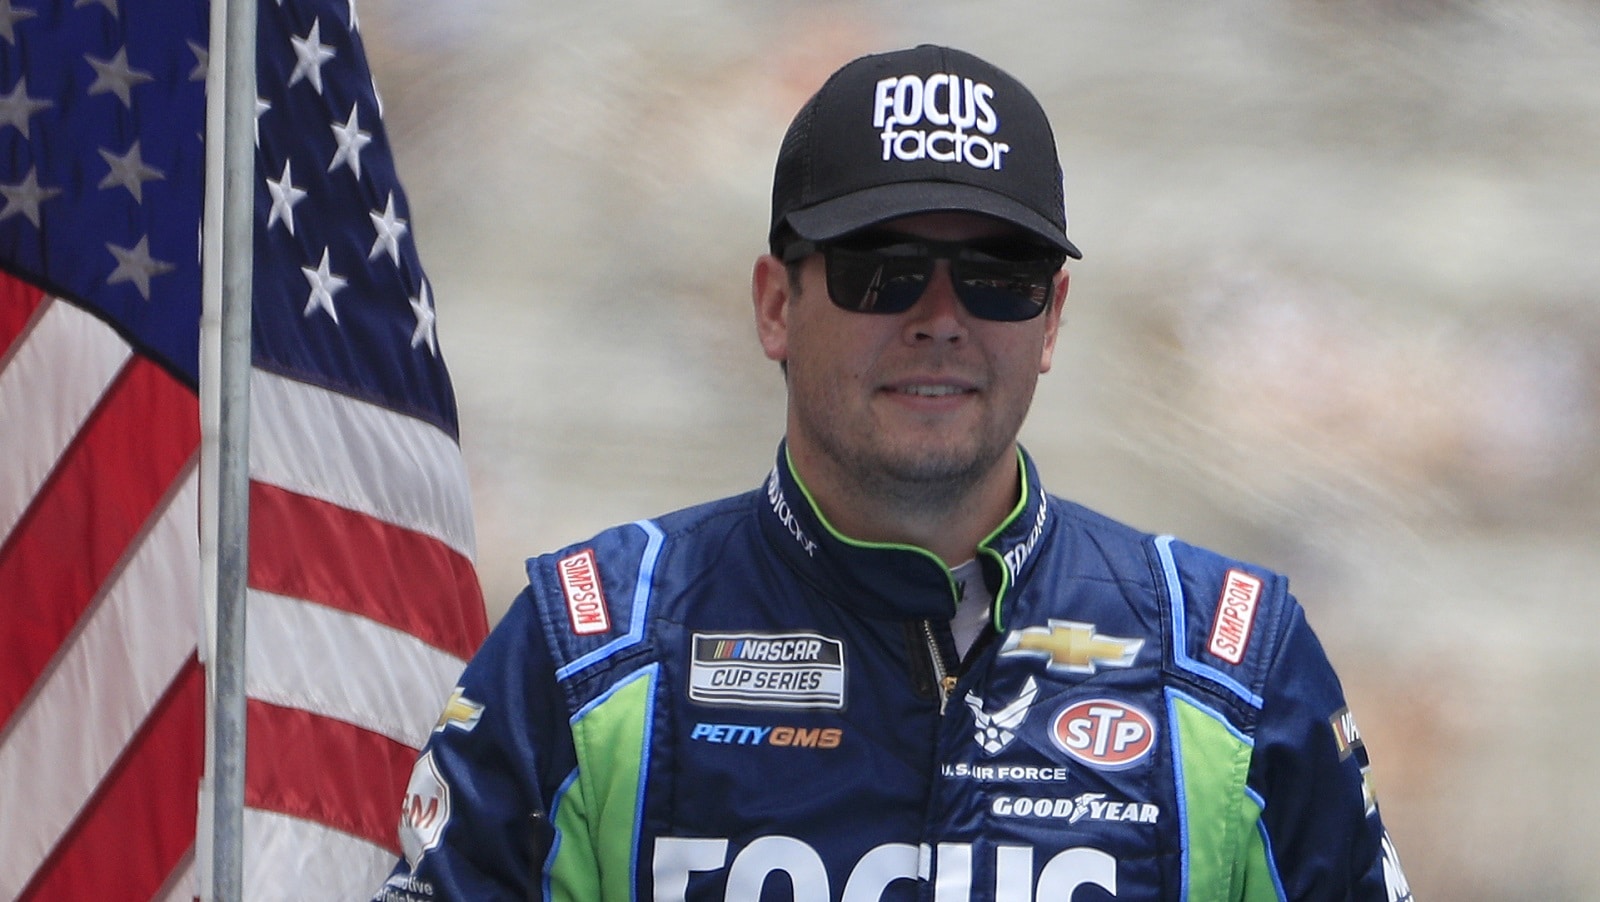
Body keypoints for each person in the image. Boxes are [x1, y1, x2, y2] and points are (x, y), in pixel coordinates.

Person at [373, 44, 1411, 901]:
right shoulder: (588, 647)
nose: (941, 319)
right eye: (883, 268)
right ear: (775, 303)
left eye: (998, 280)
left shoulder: (1231, 663)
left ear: (1049, 322)